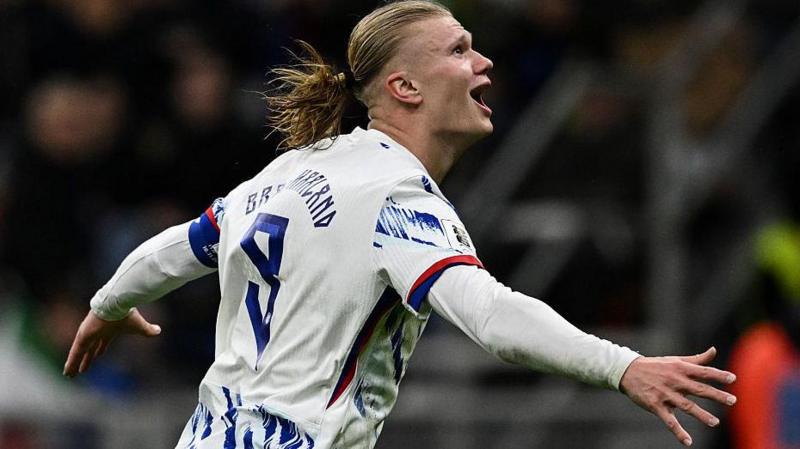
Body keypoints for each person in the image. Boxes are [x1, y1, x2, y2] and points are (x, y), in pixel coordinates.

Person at [63, 1, 737, 448]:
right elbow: (492, 315)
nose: (483, 63)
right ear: (404, 88)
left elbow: (177, 249)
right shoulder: (396, 199)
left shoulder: (293, 169)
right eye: (459, 50)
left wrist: (109, 303)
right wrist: (624, 366)